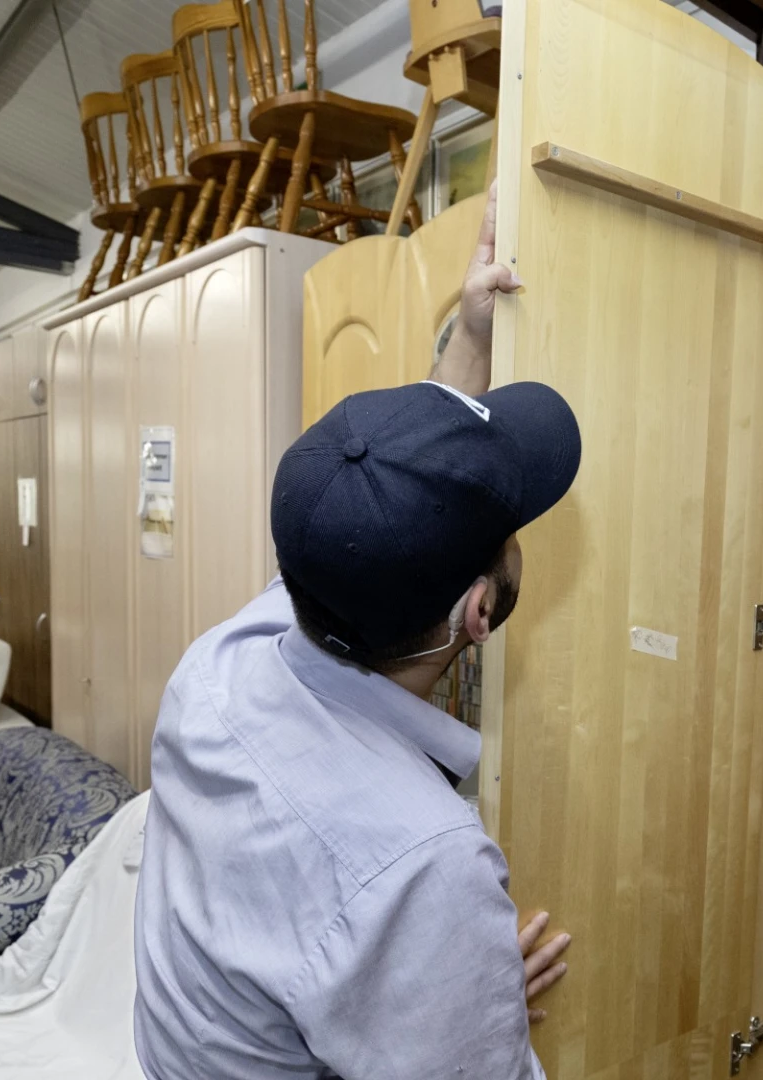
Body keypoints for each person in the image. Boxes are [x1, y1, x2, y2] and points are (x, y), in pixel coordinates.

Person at [134, 186, 578, 1079]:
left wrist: (469, 341)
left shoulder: (217, 670)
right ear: (476, 614)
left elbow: (371, 516)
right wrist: (464, 1009)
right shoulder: (424, 865)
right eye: (510, 532)